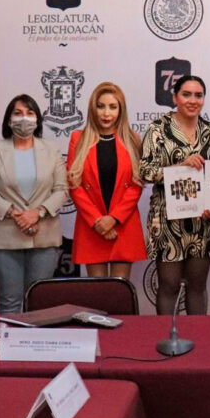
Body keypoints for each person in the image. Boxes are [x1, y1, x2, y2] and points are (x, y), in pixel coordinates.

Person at [0, 95, 68, 313]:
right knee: (9, 302)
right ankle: (8, 338)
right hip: (5, 238)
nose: (24, 118)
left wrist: (38, 213)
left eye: (29, 113)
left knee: (38, 305)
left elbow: (61, 190)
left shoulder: (52, 149)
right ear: (9, 120)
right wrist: (14, 214)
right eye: (17, 113)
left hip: (44, 237)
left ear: (37, 119)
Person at [141, 75, 210, 314]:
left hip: (203, 220)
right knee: (169, 285)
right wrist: (179, 167)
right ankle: (167, 335)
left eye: (198, 95)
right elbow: (145, 171)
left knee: (197, 286)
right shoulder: (157, 129)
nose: (193, 100)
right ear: (175, 98)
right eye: (186, 94)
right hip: (167, 221)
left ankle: (199, 336)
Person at [67, 83, 147, 279]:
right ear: (92, 108)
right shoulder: (78, 138)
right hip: (92, 227)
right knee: (98, 292)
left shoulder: (132, 139)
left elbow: (136, 185)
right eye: (101, 106)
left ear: (121, 110)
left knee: (120, 290)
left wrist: (113, 219)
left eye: (113, 107)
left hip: (122, 225)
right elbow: (74, 185)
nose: (106, 113)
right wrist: (97, 221)